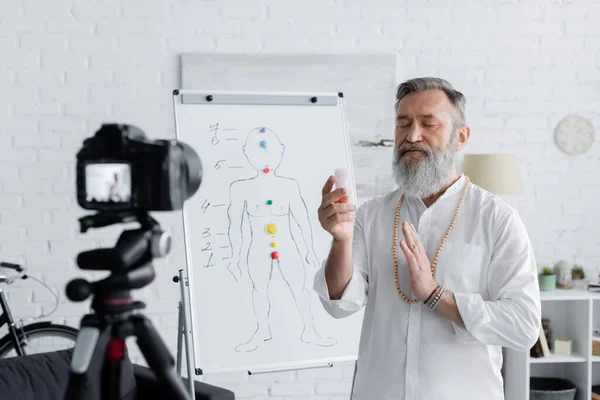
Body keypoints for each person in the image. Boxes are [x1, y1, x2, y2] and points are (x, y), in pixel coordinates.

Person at [314, 77, 541, 399]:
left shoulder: (496, 219)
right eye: (402, 124)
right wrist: (340, 240)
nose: (412, 136)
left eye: (428, 124)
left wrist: (436, 296)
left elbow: (522, 326)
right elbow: (339, 304)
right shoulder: (371, 214)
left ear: (460, 136)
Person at [227, 127, 337, 352]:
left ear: (282, 151)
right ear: (246, 153)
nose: (265, 158)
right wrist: (235, 255)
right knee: (259, 289)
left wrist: (309, 249)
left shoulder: (289, 185)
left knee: (300, 289)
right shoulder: (240, 188)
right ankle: (262, 330)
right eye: (257, 153)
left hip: (288, 248)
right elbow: (234, 225)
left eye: (271, 151)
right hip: (257, 249)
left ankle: (310, 331)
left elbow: (302, 220)